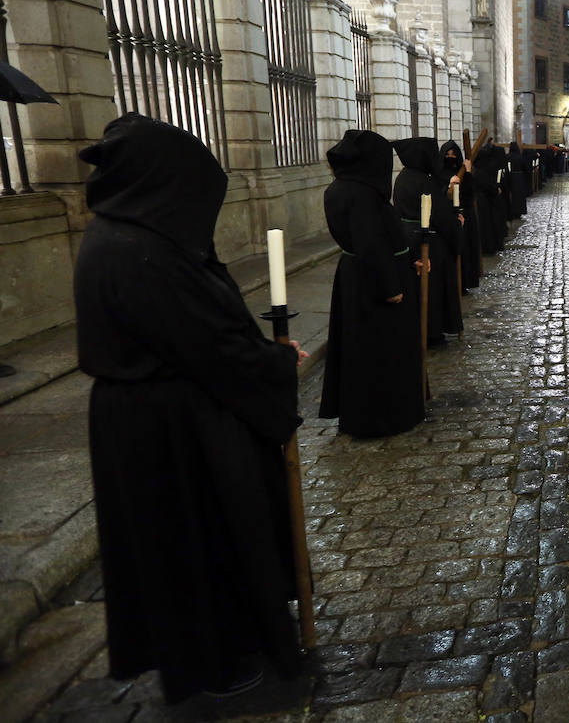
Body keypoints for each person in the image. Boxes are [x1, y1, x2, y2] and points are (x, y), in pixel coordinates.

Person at [75, 114, 304, 703]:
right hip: (171, 427)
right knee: (194, 544)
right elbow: (209, 345)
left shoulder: (126, 238)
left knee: (188, 542)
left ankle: (211, 650)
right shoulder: (139, 252)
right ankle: (211, 660)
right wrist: (275, 365)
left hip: (161, 414)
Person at [320, 129, 426, 437]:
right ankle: (383, 416)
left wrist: (409, 261)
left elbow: (385, 238)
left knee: (360, 348)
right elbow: (371, 246)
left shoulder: (340, 189)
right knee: (378, 352)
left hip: (356, 277)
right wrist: (390, 287)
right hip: (373, 284)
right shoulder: (362, 195)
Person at [393, 137, 463, 342]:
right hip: (428, 241)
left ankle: (419, 330)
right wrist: (457, 227)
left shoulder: (402, 177)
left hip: (407, 237)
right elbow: (441, 217)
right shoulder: (425, 181)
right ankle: (431, 332)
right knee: (431, 288)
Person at [440, 140, 481, 292]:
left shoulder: (463, 171)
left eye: (453, 155)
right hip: (449, 218)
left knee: (467, 251)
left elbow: (470, 194)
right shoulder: (440, 173)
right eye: (447, 155)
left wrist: (468, 173)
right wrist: (448, 186)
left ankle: (466, 282)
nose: (450, 158)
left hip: (465, 216)